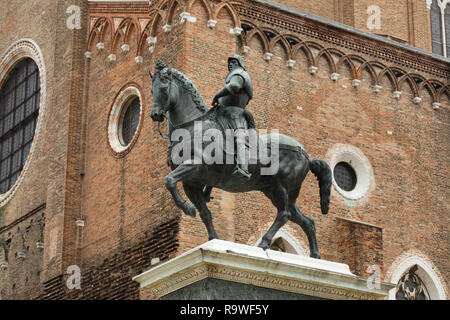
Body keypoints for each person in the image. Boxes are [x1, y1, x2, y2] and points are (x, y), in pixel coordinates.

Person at [212, 54, 254, 180]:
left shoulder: (240, 74)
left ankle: (244, 168)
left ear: (239, 64)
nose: (230, 64)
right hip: (224, 113)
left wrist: (216, 95)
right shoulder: (234, 74)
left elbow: (233, 87)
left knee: (239, 138)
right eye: (229, 62)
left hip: (236, 114)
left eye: (233, 62)